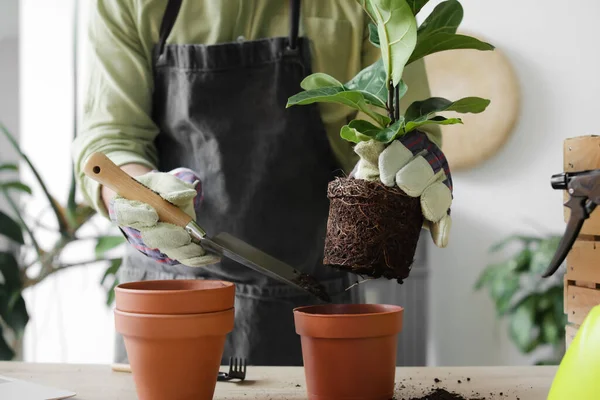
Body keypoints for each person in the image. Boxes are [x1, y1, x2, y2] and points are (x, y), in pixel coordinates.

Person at [72, 0, 450, 366]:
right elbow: (112, 138)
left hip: (310, 305)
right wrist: (141, 194)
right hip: (169, 304)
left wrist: (409, 157)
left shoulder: (370, 4)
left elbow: (406, 124)